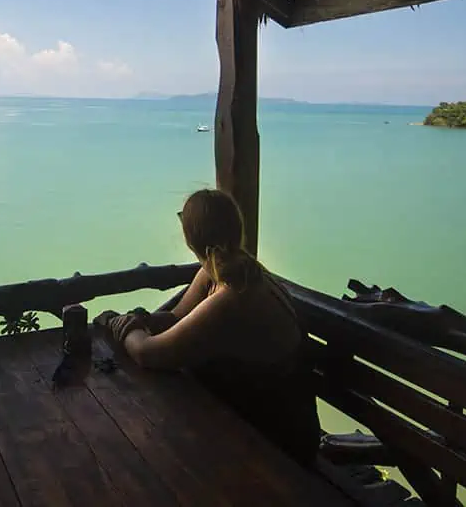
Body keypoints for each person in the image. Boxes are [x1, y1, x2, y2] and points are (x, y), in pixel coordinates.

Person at [98, 188, 321, 466]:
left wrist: (123, 326)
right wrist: (143, 319)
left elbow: (149, 354)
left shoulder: (234, 294)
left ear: (190, 238)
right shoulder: (227, 271)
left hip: (278, 441)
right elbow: (178, 318)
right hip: (247, 415)